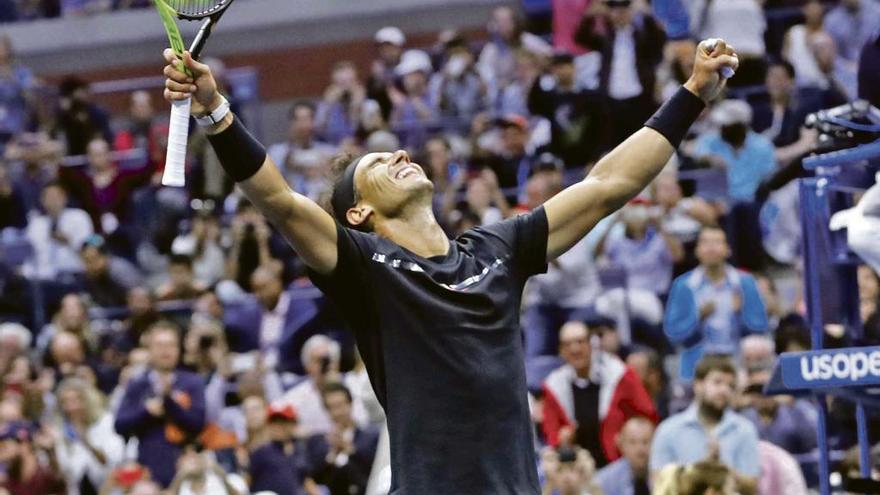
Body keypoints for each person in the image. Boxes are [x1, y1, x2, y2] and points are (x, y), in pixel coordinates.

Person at [161, 38, 737, 493]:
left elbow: (610, 184)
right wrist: (215, 109)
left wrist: (692, 93)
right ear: (357, 212)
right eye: (380, 162)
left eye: (398, 150)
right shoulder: (363, 266)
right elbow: (281, 202)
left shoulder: (497, 250)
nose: (401, 155)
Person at [542, 320, 657, 467]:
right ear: (561, 351)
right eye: (568, 344)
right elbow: (552, 433)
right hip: (578, 470)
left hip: (618, 463)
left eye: (580, 342)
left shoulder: (620, 375)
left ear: (591, 345)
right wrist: (562, 439)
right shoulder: (554, 385)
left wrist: (628, 435)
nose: (575, 349)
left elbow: (647, 416)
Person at [664, 227, 769, 381]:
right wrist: (697, 317)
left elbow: (761, 327)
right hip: (697, 365)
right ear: (697, 250)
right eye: (705, 243)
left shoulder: (745, 282)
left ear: (728, 249)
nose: (711, 248)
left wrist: (741, 313)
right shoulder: (683, 285)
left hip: (738, 363)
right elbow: (673, 334)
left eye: (717, 242)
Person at [650, 355, 760, 495]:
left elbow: (753, 487)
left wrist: (722, 471)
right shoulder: (668, 430)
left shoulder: (745, 429)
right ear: (697, 385)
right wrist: (698, 473)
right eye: (717, 382)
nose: (724, 390)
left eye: (730, 386)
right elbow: (658, 484)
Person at [114, 322, 207, 487]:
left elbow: (198, 423)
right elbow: (120, 424)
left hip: (185, 467)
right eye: (160, 345)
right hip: (148, 470)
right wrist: (147, 411)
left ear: (179, 349)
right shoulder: (137, 384)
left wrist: (168, 402)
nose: (166, 350)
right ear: (149, 350)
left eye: (171, 345)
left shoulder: (192, 382)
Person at [574, 0, 666, 147]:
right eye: (615, 8)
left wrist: (647, 15)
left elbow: (658, 40)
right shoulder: (606, 40)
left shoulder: (641, 37)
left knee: (643, 146)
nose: (620, 12)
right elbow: (581, 38)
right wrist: (589, 17)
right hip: (611, 103)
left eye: (624, 8)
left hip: (640, 101)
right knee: (615, 148)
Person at [52, 377, 126, 495]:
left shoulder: (104, 422)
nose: (72, 407)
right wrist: (51, 451)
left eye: (76, 400)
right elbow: (65, 471)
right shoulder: (62, 431)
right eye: (66, 402)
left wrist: (86, 441)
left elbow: (112, 461)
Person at [307, 382, 380, 495]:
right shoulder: (318, 442)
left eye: (340, 405)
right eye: (331, 408)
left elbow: (376, 470)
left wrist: (351, 450)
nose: (337, 412)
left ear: (350, 403)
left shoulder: (370, 436)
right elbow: (315, 479)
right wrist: (332, 455)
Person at [24, 181, 94, 279]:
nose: (52, 201)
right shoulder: (36, 224)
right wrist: (25, 273)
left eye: (56, 197)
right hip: (43, 277)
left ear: (64, 198)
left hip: (74, 273)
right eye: (48, 197)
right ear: (42, 200)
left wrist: (69, 241)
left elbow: (91, 250)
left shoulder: (79, 217)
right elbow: (29, 255)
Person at [247, 403, 313, 495]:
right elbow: (247, 481)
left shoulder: (299, 449)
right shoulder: (261, 451)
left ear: (293, 423)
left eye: (283, 422)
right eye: (274, 422)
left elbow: (305, 479)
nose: (278, 427)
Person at [0, 421, 66, 495]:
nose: (1, 451)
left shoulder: (49, 477)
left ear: (24, 445)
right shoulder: (10, 479)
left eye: (3, 446)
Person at [595, 416, 655, 495]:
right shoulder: (604, 481)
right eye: (632, 442)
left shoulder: (666, 476)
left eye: (645, 442)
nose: (640, 449)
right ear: (621, 444)